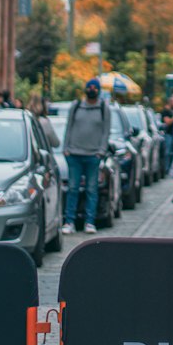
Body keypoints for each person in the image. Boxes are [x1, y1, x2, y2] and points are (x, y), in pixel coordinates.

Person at [60, 78, 111, 235]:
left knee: (91, 190)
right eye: (90, 87)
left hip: (93, 156)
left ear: (98, 91)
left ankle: (90, 222)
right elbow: (68, 127)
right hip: (74, 154)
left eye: (95, 88)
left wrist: (101, 151)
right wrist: (66, 148)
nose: (92, 90)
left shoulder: (103, 108)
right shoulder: (76, 107)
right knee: (73, 189)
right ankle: (69, 222)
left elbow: (105, 131)